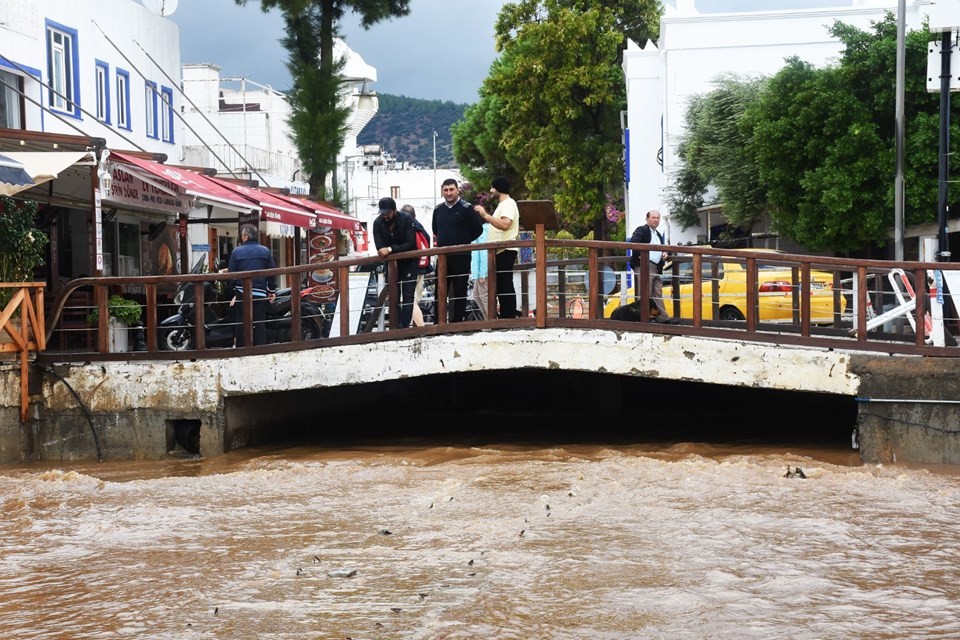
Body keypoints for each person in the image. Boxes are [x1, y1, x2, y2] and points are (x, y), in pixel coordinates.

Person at [432, 178, 483, 322]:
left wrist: (463, 240)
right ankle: (439, 322)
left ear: (457, 190)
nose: (448, 193)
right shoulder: (438, 210)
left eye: (451, 189)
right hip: (443, 257)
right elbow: (435, 230)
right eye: (446, 190)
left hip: (462, 256)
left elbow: (477, 230)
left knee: (460, 289)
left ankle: (457, 322)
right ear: (442, 191)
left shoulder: (467, 208)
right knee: (440, 290)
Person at [473, 177, 519, 318]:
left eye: (492, 187)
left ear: (499, 188)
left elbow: (505, 224)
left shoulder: (508, 204)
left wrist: (485, 215)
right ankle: (506, 315)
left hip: (506, 249)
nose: (491, 191)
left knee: (505, 284)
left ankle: (508, 316)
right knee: (502, 284)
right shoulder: (504, 204)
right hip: (500, 250)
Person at [227, 224, 277, 346]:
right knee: (259, 323)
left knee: (242, 322)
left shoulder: (236, 251)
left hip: (242, 292)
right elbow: (272, 273)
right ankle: (259, 349)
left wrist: (234, 290)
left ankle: (242, 348)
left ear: (246, 236)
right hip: (259, 293)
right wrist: (271, 291)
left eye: (242, 235)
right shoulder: (265, 251)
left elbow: (231, 274)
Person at [373, 197, 418, 329]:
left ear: (394, 210)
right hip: (391, 265)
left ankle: (403, 327)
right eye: (383, 213)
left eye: (387, 213)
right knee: (393, 296)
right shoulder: (377, 223)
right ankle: (395, 327)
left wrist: (391, 249)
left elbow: (411, 244)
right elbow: (380, 249)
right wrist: (389, 249)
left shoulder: (407, 219)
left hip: (409, 262)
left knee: (408, 296)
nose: (385, 216)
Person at [628, 210, 676, 323]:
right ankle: (643, 319)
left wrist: (664, 253)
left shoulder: (657, 234)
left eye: (657, 218)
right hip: (645, 265)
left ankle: (663, 318)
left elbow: (660, 249)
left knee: (657, 292)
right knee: (645, 293)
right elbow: (633, 242)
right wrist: (640, 255)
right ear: (647, 219)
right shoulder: (642, 230)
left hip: (656, 267)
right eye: (653, 217)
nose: (656, 220)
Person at [402, 204, 429, 327]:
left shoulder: (406, 227)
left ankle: (421, 328)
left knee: (410, 301)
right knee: (415, 300)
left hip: (410, 268)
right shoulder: (420, 228)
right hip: (422, 268)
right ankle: (416, 330)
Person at [470, 223, 490, 319]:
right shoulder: (479, 228)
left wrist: (481, 273)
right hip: (479, 270)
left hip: (482, 271)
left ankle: (490, 321)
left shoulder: (482, 229)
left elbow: (483, 252)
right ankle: (488, 320)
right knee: (477, 295)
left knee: (484, 297)